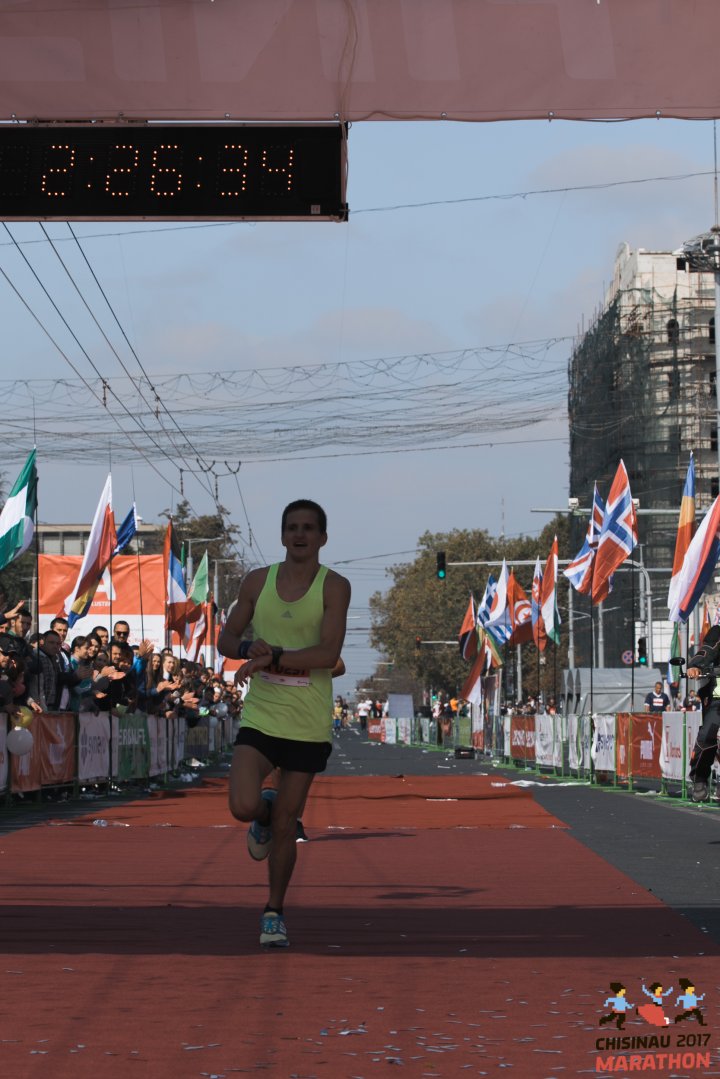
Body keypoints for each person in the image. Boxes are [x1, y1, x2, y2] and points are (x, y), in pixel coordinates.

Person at [218, 499, 350, 950]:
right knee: (242, 804)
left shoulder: (335, 586)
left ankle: (273, 911)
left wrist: (273, 657)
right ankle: (262, 812)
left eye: (309, 528)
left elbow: (328, 655)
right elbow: (226, 639)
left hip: (308, 722)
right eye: (292, 527)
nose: (300, 534)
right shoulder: (258, 581)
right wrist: (250, 645)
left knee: (287, 824)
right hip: (262, 715)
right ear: (282, 535)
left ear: (322, 538)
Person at [685, 627, 720, 802]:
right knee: (707, 736)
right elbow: (707, 651)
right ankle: (699, 778)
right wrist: (695, 666)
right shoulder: (718, 634)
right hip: (718, 699)